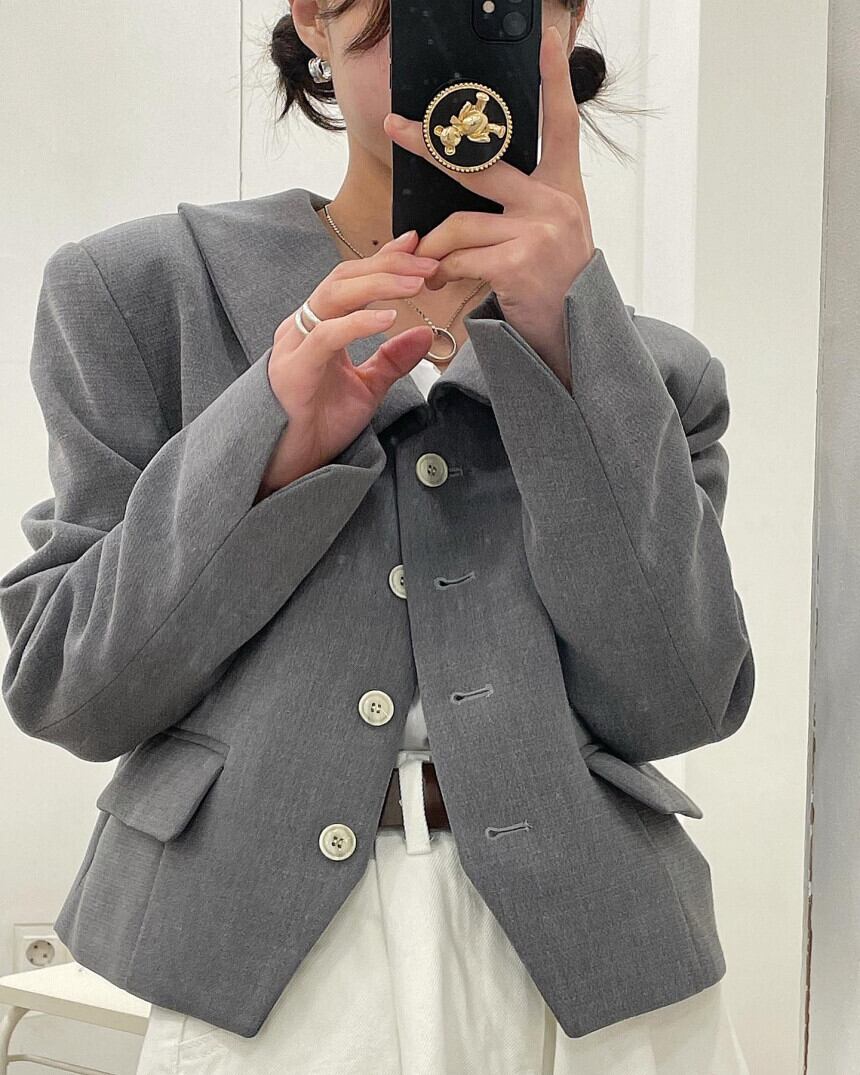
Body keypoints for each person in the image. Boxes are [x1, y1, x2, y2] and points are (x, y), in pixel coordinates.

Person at [1, 1, 755, 1072]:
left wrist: (570, 343)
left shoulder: (654, 374)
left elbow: (677, 699)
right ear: (315, 16)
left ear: (568, 19)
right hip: (255, 958)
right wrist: (262, 448)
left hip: (603, 970)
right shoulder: (143, 292)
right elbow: (70, 688)